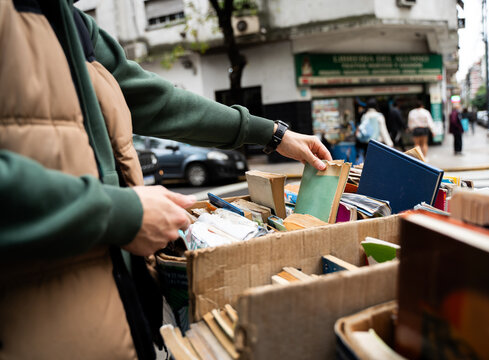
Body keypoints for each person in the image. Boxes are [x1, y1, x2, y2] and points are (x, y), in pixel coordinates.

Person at [0, 1, 332, 359]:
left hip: (115, 323)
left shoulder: (71, 20)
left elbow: (161, 102)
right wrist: (122, 213)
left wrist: (273, 134)